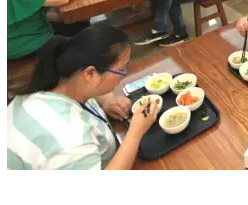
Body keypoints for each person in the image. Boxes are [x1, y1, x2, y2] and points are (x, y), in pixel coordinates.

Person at [7, 23, 158, 169]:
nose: (124, 75)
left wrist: (108, 101)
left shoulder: (58, 82)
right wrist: (136, 131)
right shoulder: (70, 143)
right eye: (121, 70)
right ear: (90, 73)